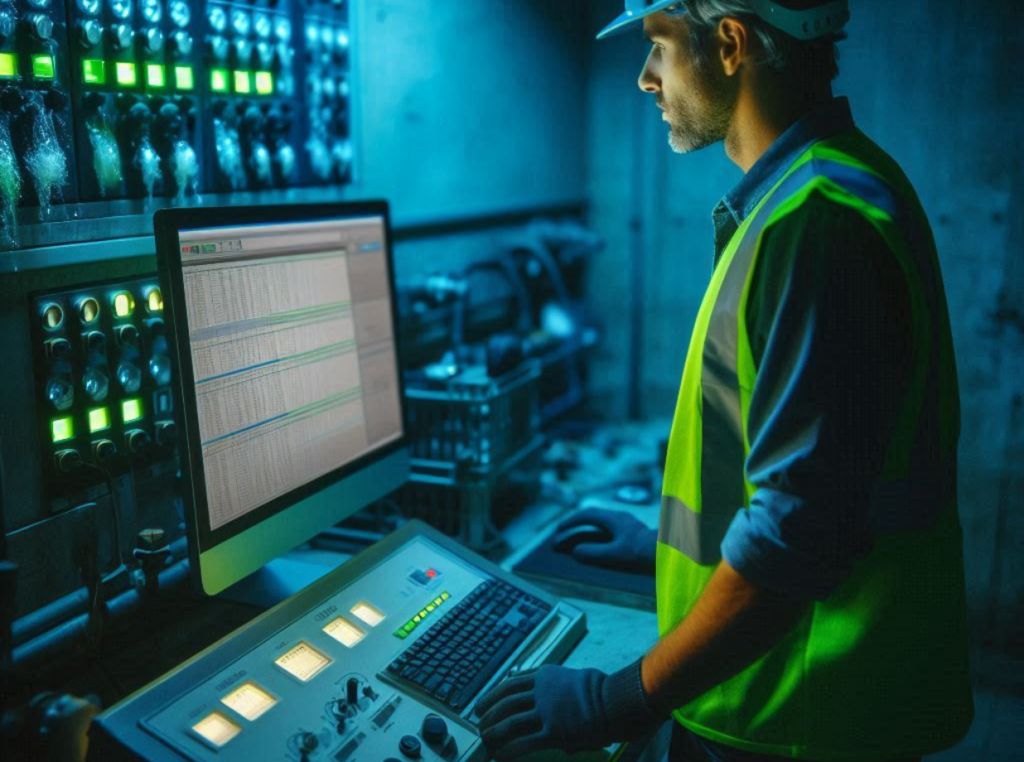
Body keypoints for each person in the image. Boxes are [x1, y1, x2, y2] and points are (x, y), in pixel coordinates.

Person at [473, 2, 974, 761]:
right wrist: (663, 545)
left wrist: (613, 699)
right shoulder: (821, 188)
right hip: (792, 693)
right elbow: (810, 472)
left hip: (798, 706)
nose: (646, 80)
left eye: (660, 48)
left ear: (732, 43)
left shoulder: (815, 222)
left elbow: (796, 537)